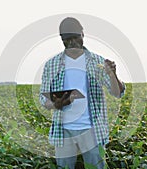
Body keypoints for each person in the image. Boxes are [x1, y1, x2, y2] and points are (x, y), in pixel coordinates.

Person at [40, 17, 126, 169]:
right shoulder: (52, 65)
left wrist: (113, 74)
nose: (72, 42)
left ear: (82, 34)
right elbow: (44, 101)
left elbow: (117, 93)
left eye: (75, 37)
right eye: (67, 39)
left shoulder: (97, 62)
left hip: (92, 131)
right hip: (63, 131)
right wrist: (58, 102)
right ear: (62, 40)